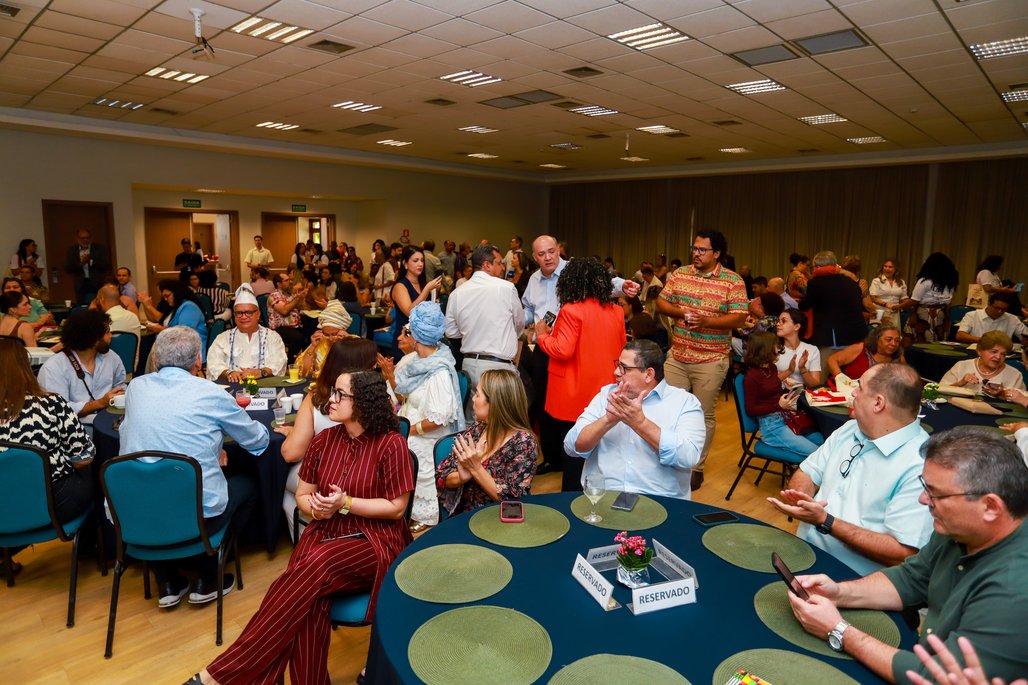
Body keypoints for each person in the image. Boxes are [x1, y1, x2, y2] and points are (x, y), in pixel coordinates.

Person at [188, 370, 413, 685]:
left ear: (363, 402)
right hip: (326, 531)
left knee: (313, 566)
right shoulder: (324, 440)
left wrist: (345, 503)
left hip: (374, 540)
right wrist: (317, 508)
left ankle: (223, 673)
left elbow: (396, 508)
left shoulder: (391, 444)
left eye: (340, 394)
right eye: (332, 392)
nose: (330, 400)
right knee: (307, 599)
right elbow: (304, 496)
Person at [784, 427, 1028, 684]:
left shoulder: (1014, 590)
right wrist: (839, 592)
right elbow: (912, 578)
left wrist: (838, 630)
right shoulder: (961, 528)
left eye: (935, 493)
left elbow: (936, 677)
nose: (923, 500)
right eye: (925, 487)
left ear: (990, 507)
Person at [120, 326, 268, 608]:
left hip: (136, 511)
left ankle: (167, 580)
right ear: (199, 361)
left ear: (154, 359)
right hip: (194, 511)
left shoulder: (136, 388)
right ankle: (207, 573)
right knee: (248, 484)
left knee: (154, 485)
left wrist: (211, 444)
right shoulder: (210, 392)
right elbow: (257, 441)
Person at [768, 363, 933, 576]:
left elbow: (904, 554)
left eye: (859, 387)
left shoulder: (920, 465)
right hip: (803, 554)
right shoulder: (850, 429)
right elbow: (807, 473)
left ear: (878, 403)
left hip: (854, 580)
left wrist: (826, 522)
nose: (853, 393)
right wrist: (802, 498)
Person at [656, 229, 748, 490]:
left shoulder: (733, 281)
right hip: (678, 355)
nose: (696, 254)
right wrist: (681, 312)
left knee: (701, 414)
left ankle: (695, 466)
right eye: (694, 249)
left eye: (702, 250)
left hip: (711, 359)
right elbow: (662, 303)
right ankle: (669, 458)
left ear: (716, 253)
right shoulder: (680, 274)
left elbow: (740, 317)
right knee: (667, 409)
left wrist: (707, 321)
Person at [564, 340, 705, 499]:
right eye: (617, 365)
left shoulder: (684, 403)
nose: (616, 372)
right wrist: (607, 420)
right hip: (604, 497)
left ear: (649, 374)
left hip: (660, 500)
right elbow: (571, 447)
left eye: (624, 368)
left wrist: (641, 424)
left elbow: (688, 457)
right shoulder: (606, 396)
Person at [534, 257, 627, 491]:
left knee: (574, 453)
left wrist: (542, 335)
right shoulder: (616, 311)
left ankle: (571, 500)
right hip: (605, 389)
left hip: (573, 394)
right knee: (601, 450)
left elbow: (562, 350)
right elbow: (622, 348)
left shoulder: (570, 310)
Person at [278, 338, 380, 540]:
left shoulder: (318, 398)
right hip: (371, 475)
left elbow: (291, 453)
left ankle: (308, 540)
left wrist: (294, 433)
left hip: (332, 478)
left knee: (289, 491)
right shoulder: (380, 396)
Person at [0, 338, 93, 555]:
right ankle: (91, 549)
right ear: (25, 369)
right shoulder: (51, 404)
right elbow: (84, 458)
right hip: (52, 504)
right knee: (94, 475)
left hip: (4, 506)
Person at [385, 302, 465, 532]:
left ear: (418, 335)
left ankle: (424, 512)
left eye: (409, 330)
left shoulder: (438, 372)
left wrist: (407, 430)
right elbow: (408, 394)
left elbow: (438, 419)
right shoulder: (418, 361)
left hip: (428, 435)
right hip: (408, 421)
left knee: (403, 446)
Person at [436, 368, 538, 517]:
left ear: (495, 404)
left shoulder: (524, 443)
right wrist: (461, 478)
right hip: (465, 517)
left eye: (478, 394)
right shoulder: (477, 430)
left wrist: (476, 469)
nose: (473, 399)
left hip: (498, 522)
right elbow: (442, 475)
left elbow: (513, 503)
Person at [444, 243, 525, 419]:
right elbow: (519, 323)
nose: (503, 267)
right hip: (499, 367)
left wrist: (472, 332)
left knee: (473, 420)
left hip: (469, 365)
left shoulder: (457, 293)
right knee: (502, 422)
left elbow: (451, 332)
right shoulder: (505, 288)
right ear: (487, 265)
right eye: (499, 263)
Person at [37, 309, 125, 428]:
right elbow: (57, 411)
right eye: (107, 332)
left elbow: (121, 385)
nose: (111, 336)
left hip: (110, 421)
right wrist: (99, 403)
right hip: (73, 427)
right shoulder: (54, 367)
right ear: (93, 339)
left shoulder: (111, 357)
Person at [743, 332, 824, 460]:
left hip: (785, 417)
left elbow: (772, 391)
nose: (778, 348)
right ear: (765, 349)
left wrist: (789, 389)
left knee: (823, 443)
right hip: (771, 427)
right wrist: (778, 405)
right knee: (817, 454)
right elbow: (750, 410)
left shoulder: (771, 368)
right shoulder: (751, 377)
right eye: (775, 345)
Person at [799, 251, 867, 378]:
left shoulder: (816, 283)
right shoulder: (850, 282)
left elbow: (804, 305)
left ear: (818, 267)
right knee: (850, 378)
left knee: (820, 377)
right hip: (854, 337)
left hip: (832, 336)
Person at [207, 286, 287, 382]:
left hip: (265, 386)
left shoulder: (272, 337)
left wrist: (260, 372)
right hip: (232, 386)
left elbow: (279, 363)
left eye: (249, 312)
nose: (244, 317)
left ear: (258, 314)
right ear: (234, 315)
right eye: (239, 313)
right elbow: (213, 364)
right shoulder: (223, 338)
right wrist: (229, 373)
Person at [390, 246, 442, 361]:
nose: (420, 264)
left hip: (424, 342)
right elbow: (410, 312)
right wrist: (426, 290)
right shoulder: (400, 286)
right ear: (405, 263)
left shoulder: (424, 284)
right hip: (406, 341)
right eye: (415, 260)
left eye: (422, 260)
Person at [139, 279, 208, 359]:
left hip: (190, 352)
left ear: (177, 293)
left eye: (167, 296)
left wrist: (161, 329)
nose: (165, 299)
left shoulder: (189, 306)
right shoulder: (175, 307)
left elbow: (184, 333)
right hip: (178, 349)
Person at [940, 331, 1025, 393]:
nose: (998, 357)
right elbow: (939, 391)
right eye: (994, 352)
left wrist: (1003, 393)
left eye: (1003, 354)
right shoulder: (961, 366)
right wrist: (960, 383)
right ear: (980, 351)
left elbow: (1021, 404)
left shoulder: (1014, 375)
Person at [908, 252, 958, 343]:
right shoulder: (950, 282)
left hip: (924, 313)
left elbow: (914, 300)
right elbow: (948, 300)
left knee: (922, 339)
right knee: (940, 339)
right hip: (941, 313)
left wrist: (899, 306)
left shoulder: (924, 281)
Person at [296, 301, 353, 378]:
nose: (330, 339)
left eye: (334, 334)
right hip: (319, 382)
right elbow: (303, 371)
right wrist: (312, 346)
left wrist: (348, 343)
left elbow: (358, 371)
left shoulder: (354, 341)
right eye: (326, 335)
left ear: (343, 330)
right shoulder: (320, 341)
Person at [827, 324, 906, 379]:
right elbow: (832, 360)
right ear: (876, 339)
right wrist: (841, 378)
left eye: (897, 340)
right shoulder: (861, 348)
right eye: (888, 339)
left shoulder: (899, 358)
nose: (893, 344)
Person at [955, 292, 1028, 346]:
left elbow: (1025, 336)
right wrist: (985, 340)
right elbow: (960, 335)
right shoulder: (972, 315)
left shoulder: (1012, 319)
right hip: (976, 349)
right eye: (997, 308)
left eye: (1003, 309)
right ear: (989, 303)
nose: (999, 311)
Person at [775, 308, 822, 387]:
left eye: (783, 321)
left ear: (796, 326)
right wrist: (789, 371)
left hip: (803, 393)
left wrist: (802, 369)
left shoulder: (812, 350)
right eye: (778, 321)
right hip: (780, 393)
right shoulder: (773, 349)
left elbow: (815, 386)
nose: (778, 324)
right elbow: (768, 383)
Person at [64, 229, 110, 304]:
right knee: (82, 305)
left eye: (87, 237)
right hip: (80, 284)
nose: (85, 240)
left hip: (97, 283)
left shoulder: (99, 249)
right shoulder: (72, 250)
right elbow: (68, 268)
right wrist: (81, 264)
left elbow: (105, 265)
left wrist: (90, 262)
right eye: (82, 238)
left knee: (98, 304)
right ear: (77, 238)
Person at [267, 272, 307, 359]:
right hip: (280, 328)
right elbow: (284, 311)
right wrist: (297, 298)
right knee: (298, 337)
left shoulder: (288, 295)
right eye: (286, 280)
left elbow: (303, 308)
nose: (290, 282)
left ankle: (303, 360)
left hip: (294, 325)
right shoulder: (273, 296)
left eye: (290, 280)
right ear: (279, 284)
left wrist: (302, 297)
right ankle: (290, 361)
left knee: (311, 330)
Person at [870, 259, 909, 325]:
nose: (887, 269)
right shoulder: (876, 281)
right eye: (885, 266)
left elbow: (904, 298)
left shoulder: (901, 282)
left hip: (895, 313)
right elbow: (873, 298)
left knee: (894, 330)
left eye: (890, 267)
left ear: (895, 269)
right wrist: (887, 305)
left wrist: (904, 305)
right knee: (880, 331)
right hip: (880, 313)